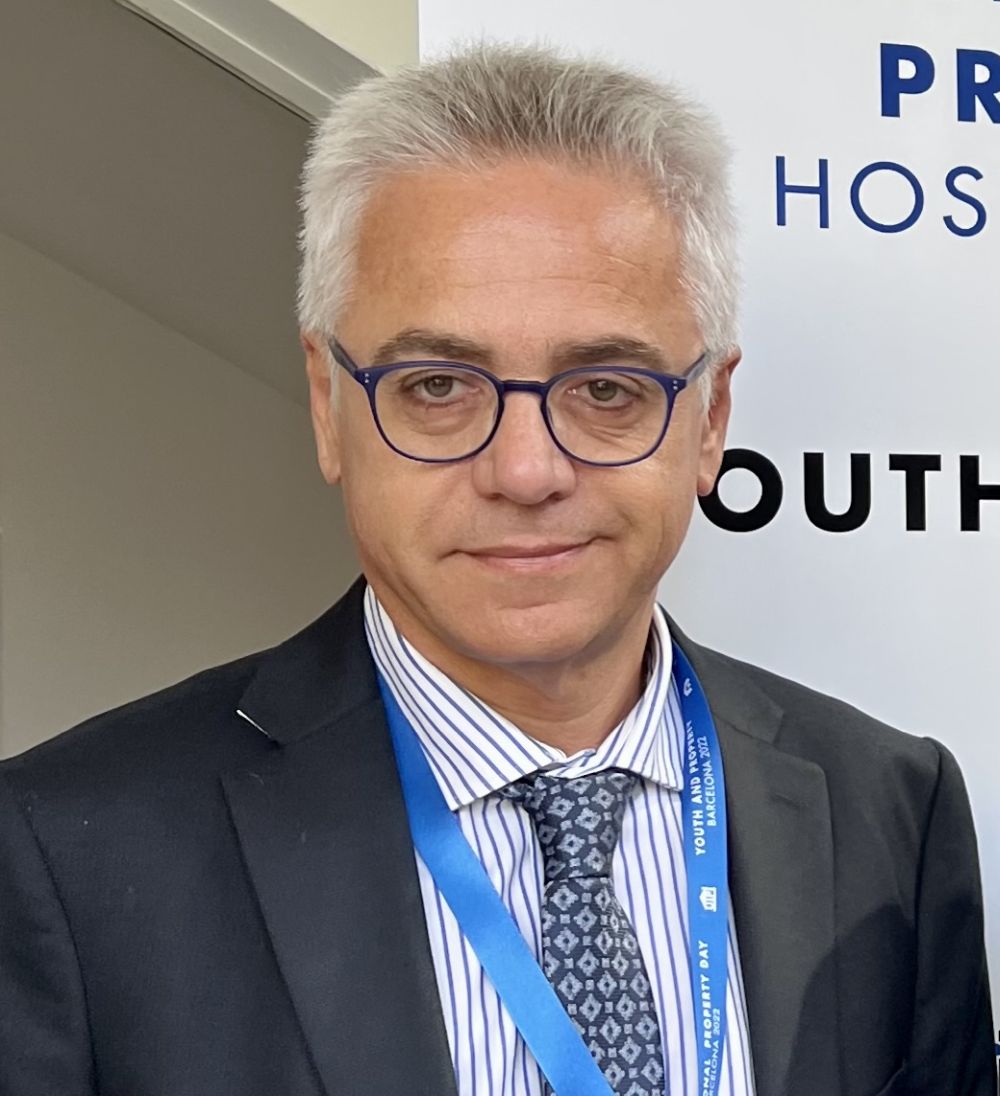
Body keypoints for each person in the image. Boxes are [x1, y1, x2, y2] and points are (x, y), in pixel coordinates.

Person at [0, 43, 993, 1096]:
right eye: (437, 385)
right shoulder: (67, 855)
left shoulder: (890, 813)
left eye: (606, 389)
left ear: (711, 419)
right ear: (329, 405)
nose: (526, 470)